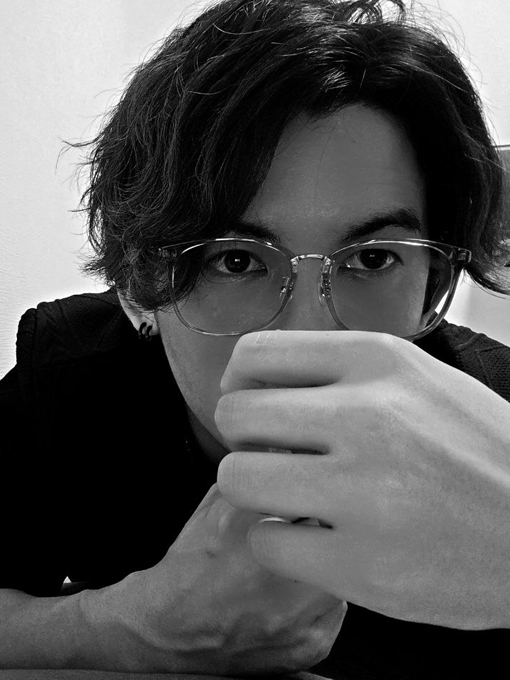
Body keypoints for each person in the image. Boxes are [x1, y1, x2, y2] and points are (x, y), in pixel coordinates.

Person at [1, 0, 510, 677]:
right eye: (236, 261)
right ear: (139, 288)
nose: (309, 337)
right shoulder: (70, 380)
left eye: (372, 259)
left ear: (433, 280)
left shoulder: (497, 417)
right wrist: (128, 627)